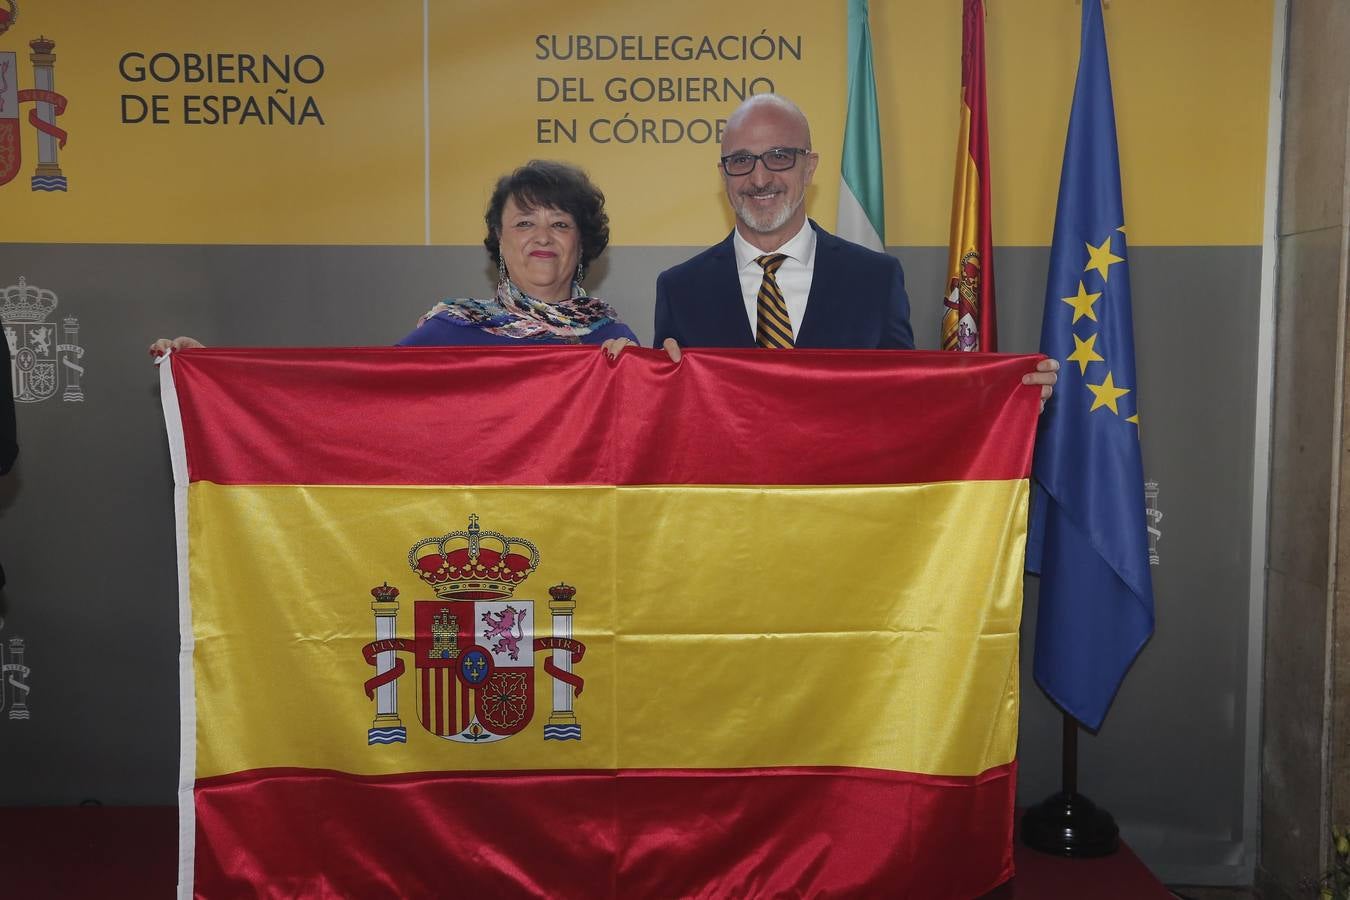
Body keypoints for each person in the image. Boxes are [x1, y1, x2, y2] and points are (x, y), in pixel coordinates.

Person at [603, 94, 1057, 401]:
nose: (759, 179)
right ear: (723, 175)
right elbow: (668, 413)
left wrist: (1005, 394)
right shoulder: (681, 288)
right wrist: (624, 381)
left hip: (845, 522)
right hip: (730, 526)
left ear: (810, 167)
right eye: (741, 161)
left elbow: (911, 400)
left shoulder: (875, 279)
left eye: (779, 156)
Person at [150, 160, 638, 356]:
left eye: (560, 224)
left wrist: (642, 382)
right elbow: (353, 402)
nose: (542, 238)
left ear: (582, 244)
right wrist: (213, 371)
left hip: (581, 540)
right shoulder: (452, 328)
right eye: (524, 223)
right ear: (500, 241)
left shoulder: (614, 340)